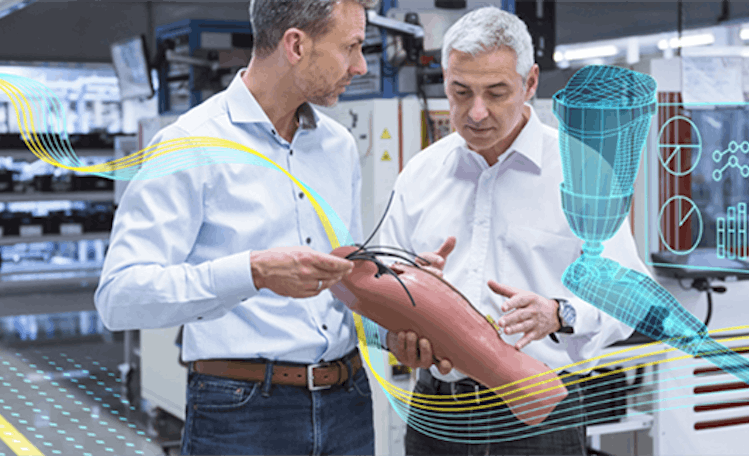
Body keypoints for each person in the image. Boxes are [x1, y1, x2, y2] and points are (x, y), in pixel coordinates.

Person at [94, 0, 378, 454]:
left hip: (348, 401)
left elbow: (349, 278)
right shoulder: (190, 145)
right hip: (244, 413)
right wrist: (252, 271)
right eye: (351, 47)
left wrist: (410, 298)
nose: (361, 66)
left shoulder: (337, 145)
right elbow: (119, 297)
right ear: (296, 45)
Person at [380, 6, 655, 456]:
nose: (476, 112)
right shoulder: (422, 174)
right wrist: (403, 318)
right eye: (460, 92)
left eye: (496, 92)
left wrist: (560, 313)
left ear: (529, 83)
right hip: (436, 416)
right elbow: (384, 287)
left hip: (537, 419)